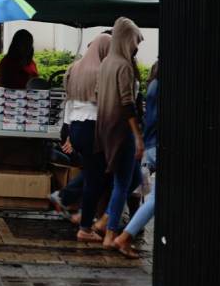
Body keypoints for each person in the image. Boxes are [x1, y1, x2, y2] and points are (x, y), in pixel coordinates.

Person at [52, 33, 113, 243]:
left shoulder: (74, 68)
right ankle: (86, 226)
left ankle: (77, 209)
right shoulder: (101, 71)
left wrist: (68, 131)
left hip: (76, 127)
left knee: (93, 173)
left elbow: (68, 102)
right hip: (93, 127)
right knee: (96, 179)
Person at [95, 17, 144, 250]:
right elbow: (127, 103)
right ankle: (111, 234)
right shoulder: (123, 66)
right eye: (135, 41)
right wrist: (138, 136)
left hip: (106, 128)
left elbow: (97, 95)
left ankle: (106, 219)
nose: (136, 46)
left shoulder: (106, 63)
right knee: (123, 181)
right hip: (123, 130)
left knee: (132, 178)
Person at [113, 61, 158, 258]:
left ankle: (124, 233)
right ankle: (125, 235)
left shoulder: (153, 85)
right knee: (156, 196)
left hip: (151, 144)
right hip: (157, 145)